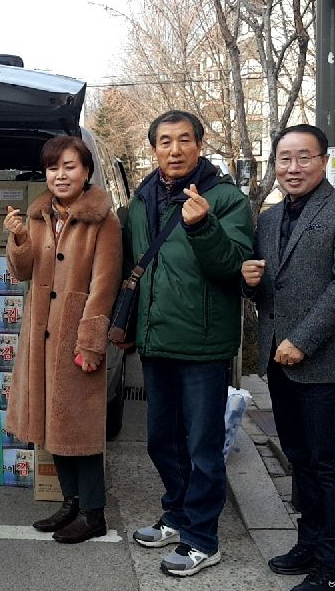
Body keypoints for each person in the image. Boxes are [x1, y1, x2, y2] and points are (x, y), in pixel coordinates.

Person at [118, 110, 254, 576]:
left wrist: (202, 227)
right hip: (156, 341)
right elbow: (134, 267)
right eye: (164, 142)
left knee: (202, 444)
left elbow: (233, 266)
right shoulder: (141, 200)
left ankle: (203, 537)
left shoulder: (225, 199)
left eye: (183, 141)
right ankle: (175, 516)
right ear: (152, 148)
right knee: (162, 440)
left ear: (200, 144)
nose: (174, 150)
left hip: (202, 342)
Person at [241, 124, 335, 591]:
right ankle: (312, 542)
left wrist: (303, 339)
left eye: (303, 158)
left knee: (329, 461)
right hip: (280, 359)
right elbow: (264, 288)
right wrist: (249, 280)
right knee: (299, 455)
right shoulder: (271, 219)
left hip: (324, 361)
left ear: (324, 162)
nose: (292, 168)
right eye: (284, 159)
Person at [3, 135, 121, 543]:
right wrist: (17, 238)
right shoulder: (39, 215)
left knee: (81, 427)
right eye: (54, 168)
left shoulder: (102, 219)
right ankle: (70, 502)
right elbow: (22, 272)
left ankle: (93, 512)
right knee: (54, 422)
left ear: (86, 171)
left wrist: (90, 342)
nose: (60, 175)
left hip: (75, 333)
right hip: (40, 335)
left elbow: (105, 284)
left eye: (70, 166)